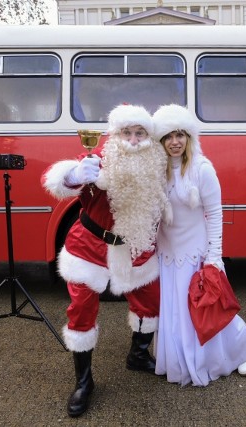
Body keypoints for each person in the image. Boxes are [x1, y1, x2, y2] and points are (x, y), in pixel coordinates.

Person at [41, 104, 168, 417]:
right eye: (127, 132)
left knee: (151, 302)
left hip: (135, 248)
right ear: (116, 134)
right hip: (90, 247)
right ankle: (84, 382)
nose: (134, 139)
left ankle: (137, 356)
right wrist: (72, 175)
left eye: (140, 133)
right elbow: (63, 183)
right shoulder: (97, 160)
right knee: (81, 311)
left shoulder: (155, 165)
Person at [152, 104, 246, 387]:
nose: (175, 142)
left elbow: (215, 214)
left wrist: (213, 257)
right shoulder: (156, 171)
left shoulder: (202, 168)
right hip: (168, 254)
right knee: (176, 313)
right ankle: (180, 361)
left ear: (189, 137)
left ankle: (244, 348)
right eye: (168, 137)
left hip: (195, 255)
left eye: (180, 135)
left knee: (208, 311)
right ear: (160, 141)